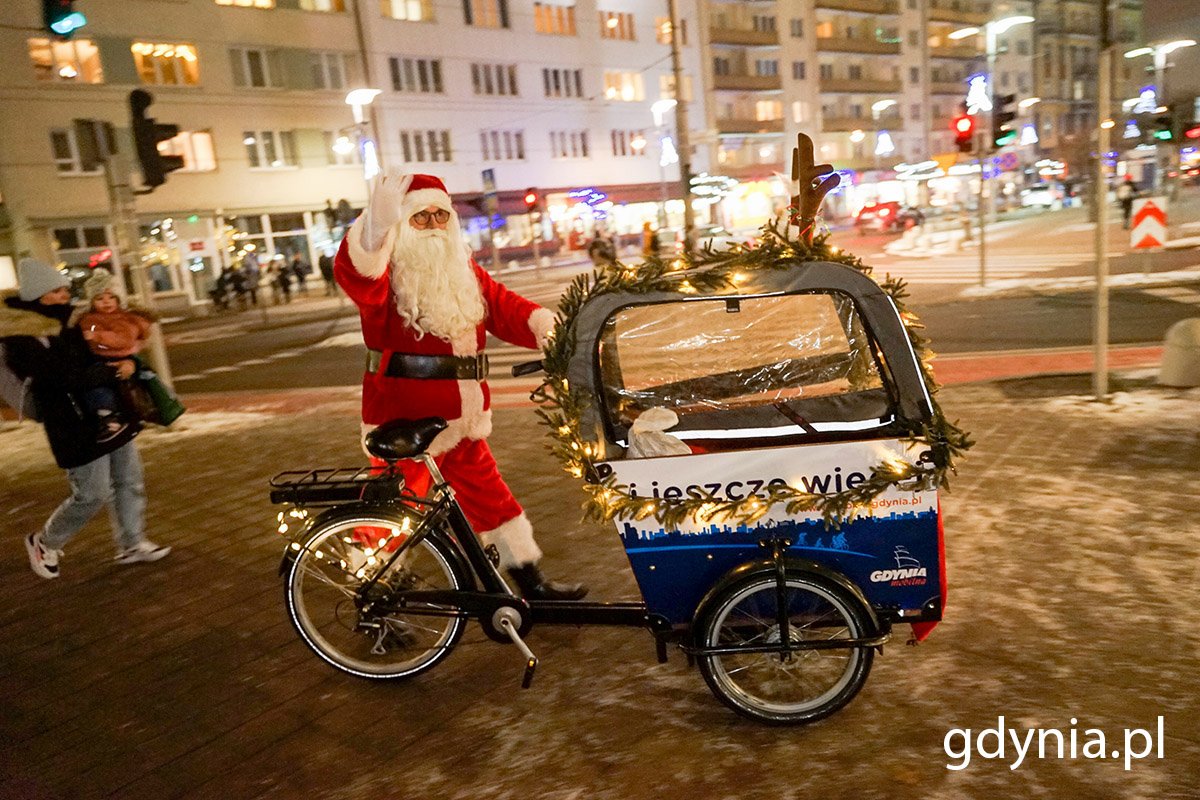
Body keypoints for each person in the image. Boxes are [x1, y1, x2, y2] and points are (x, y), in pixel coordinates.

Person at [334, 171, 586, 600]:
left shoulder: (462, 270)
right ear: (402, 224)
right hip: (406, 419)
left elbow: (502, 306)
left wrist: (549, 330)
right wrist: (374, 230)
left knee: (491, 499)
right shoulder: (387, 273)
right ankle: (370, 592)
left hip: (463, 422)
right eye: (420, 217)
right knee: (391, 513)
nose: (433, 225)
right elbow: (357, 275)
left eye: (441, 215)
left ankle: (532, 583)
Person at [1, 258, 170, 579]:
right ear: (40, 294)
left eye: (65, 289)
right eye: (58, 290)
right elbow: (57, 377)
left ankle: (132, 543)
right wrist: (107, 372)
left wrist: (130, 363)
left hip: (111, 413)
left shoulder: (72, 322)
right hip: (72, 423)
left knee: (128, 480)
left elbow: (103, 351)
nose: (66, 295)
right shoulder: (20, 335)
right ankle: (45, 542)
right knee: (92, 494)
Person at [73, 270, 154, 442]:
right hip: (100, 359)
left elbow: (124, 339)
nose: (106, 302)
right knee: (94, 386)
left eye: (111, 297)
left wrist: (97, 337)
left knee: (107, 386)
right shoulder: (89, 320)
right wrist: (92, 338)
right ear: (92, 302)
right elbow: (88, 338)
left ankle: (115, 416)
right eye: (100, 298)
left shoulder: (125, 319)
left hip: (120, 358)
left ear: (118, 299)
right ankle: (106, 416)